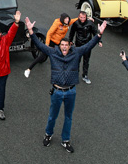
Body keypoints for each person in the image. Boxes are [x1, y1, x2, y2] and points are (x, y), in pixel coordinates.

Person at [25, 16, 106, 153]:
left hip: (70, 92)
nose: (64, 47)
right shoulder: (53, 52)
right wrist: (31, 31)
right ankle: (48, 135)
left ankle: (65, 140)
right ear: (59, 46)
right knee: (52, 116)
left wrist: (99, 34)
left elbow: (89, 45)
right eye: (62, 45)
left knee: (68, 117)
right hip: (56, 91)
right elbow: (40, 45)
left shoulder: (77, 52)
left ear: (70, 46)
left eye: (66, 45)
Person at [24, 13, 76, 79]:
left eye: (68, 19)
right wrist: (47, 45)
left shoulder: (67, 23)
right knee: (42, 57)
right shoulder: (57, 23)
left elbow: (75, 19)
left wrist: (87, 18)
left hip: (59, 44)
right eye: (66, 19)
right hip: (52, 42)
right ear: (63, 19)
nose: (67, 20)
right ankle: (29, 69)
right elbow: (49, 33)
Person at [69, 11, 102, 84]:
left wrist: (99, 41)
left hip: (87, 45)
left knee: (86, 61)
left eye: (84, 17)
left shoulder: (90, 24)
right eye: (81, 17)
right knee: (77, 60)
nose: (82, 19)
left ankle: (85, 76)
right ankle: (75, 75)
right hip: (78, 45)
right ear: (78, 17)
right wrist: (70, 41)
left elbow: (95, 32)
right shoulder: (76, 23)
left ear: (86, 17)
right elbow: (72, 32)